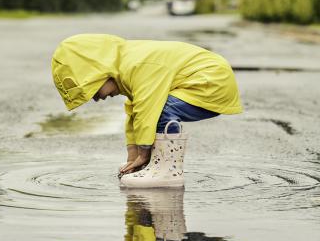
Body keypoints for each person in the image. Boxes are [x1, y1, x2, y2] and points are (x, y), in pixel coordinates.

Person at [51, 34, 242, 188]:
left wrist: (143, 153)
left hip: (211, 82)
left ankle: (168, 170)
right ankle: (156, 165)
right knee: (148, 110)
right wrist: (133, 156)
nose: (95, 98)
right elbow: (134, 112)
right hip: (204, 80)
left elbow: (147, 109)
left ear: (97, 72)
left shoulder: (135, 64)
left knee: (158, 110)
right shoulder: (124, 67)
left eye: (92, 91)